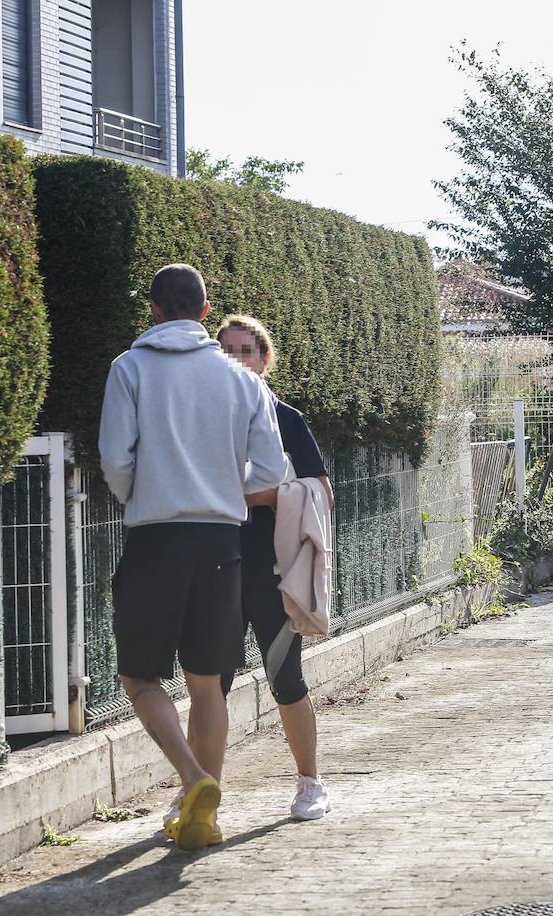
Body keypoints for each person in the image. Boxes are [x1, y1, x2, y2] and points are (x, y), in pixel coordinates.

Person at [98, 264, 290, 851]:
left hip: (156, 538)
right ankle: (200, 816)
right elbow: (274, 470)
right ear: (206, 312)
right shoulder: (242, 380)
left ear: (153, 309)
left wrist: (145, 492)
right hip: (221, 544)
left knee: (139, 674)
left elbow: (114, 459)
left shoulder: (129, 369)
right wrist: (228, 490)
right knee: (208, 684)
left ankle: (193, 780)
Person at [217, 314, 334, 822]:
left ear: (264, 360)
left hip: (272, 573)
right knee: (210, 686)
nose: (236, 359)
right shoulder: (205, 421)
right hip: (217, 570)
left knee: (286, 679)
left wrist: (262, 496)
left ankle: (311, 784)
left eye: (246, 350)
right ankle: (200, 793)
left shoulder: (287, 419)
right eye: (226, 351)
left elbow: (322, 491)